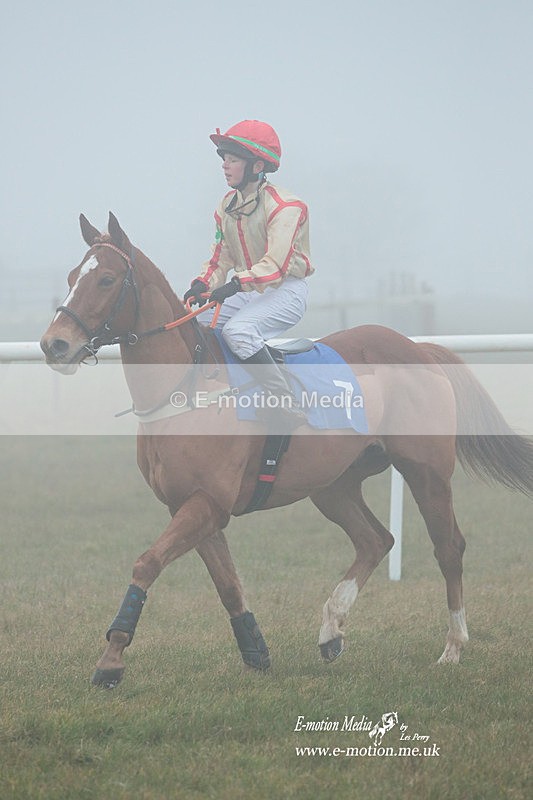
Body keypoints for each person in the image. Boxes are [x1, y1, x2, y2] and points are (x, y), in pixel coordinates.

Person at [184, 119, 314, 430]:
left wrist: (234, 285)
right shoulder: (227, 206)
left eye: (232, 160)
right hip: (246, 290)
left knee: (238, 332)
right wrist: (203, 282)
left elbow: (275, 267)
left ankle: (285, 402)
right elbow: (221, 257)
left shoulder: (287, 207)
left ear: (256, 165)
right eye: (224, 159)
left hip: (286, 291)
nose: (225, 166)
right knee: (193, 324)